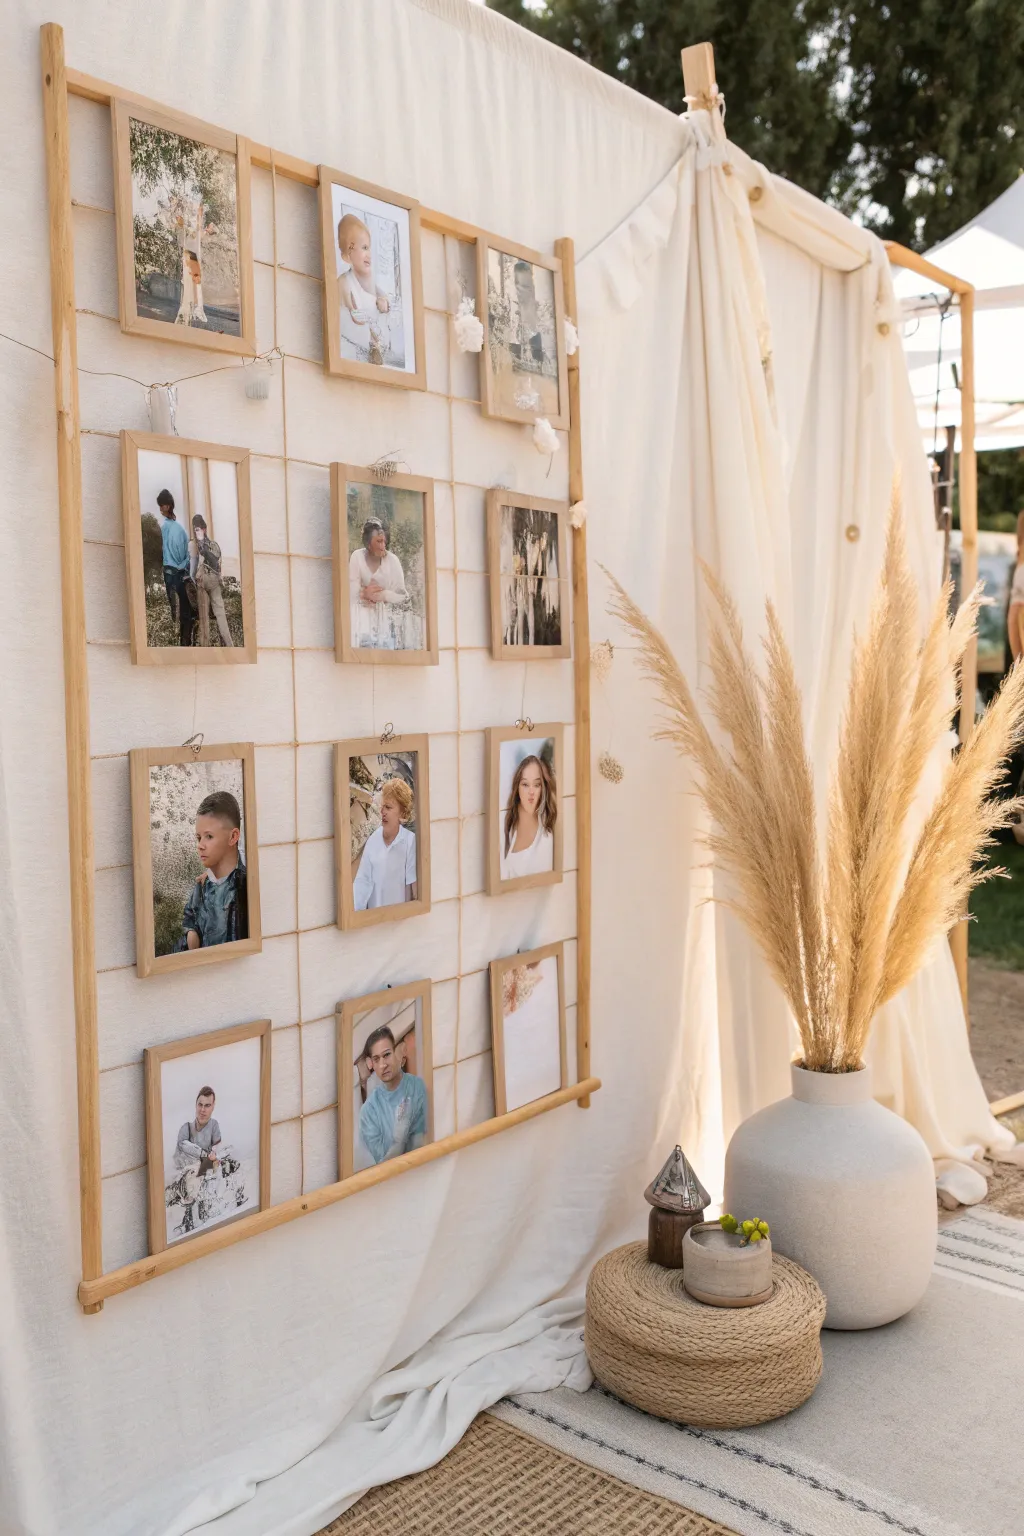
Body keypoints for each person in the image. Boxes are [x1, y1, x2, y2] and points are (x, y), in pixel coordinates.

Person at [178, 790, 248, 950]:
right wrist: (191, 932)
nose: (200, 845)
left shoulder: (244, 885)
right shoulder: (201, 887)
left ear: (233, 837)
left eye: (209, 836)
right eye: (198, 837)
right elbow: (189, 917)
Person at [357, 1025, 427, 1164]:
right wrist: (398, 1140)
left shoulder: (418, 1087)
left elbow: (425, 1144)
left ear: (397, 1053)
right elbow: (383, 1166)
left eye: (387, 1055)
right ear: (370, 1064)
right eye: (376, 1059)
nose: (383, 1065)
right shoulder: (368, 1112)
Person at [353, 777, 417, 910]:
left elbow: (414, 889)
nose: (382, 812)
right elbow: (362, 883)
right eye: (382, 806)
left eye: (388, 807)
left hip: (401, 916)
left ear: (402, 813)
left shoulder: (410, 841)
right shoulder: (373, 840)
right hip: (376, 917)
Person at [337, 211, 390, 365]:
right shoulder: (344, 282)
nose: (369, 255)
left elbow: (381, 294)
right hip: (356, 344)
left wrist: (383, 300)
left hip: (372, 337)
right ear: (348, 254)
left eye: (369, 248)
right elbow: (354, 315)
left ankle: (376, 347)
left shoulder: (368, 280)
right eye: (364, 247)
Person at [349, 518, 410, 649]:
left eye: (384, 541)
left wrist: (384, 595)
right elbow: (350, 592)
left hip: (387, 625)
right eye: (378, 541)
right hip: (362, 625)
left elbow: (403, 597)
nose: (383, 546)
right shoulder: (357, 557)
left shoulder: (393, 561)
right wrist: (364, 593)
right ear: (368, 543)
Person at [500, 752, 556, 881]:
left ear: (542, 788)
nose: (531, 792)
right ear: (517, 787)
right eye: (525, 784)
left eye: (536, 785)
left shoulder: (546, 838)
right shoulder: (505, 823)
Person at [189, 513, 234, 648]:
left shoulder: (208, 545)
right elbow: (193, 566)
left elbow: (214, 562)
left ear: (203, 529)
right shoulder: (198, 545)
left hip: (208, 581)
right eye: (196, 529)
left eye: (198, 528)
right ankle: (224, 646)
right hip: (205, 582)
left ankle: (225, 646)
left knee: (213, 617)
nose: (197, 531)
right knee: (211, 618)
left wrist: (204, 551)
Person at [157, 490, 194, 647]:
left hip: (169, 572)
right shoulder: (179, 529)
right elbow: (185, 555)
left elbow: (163, 551)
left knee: (175, 609)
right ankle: (185, 642)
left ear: (167, 506)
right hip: (178, 572)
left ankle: (180, 641)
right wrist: (183, 566)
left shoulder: (164, 527)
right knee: (185, 610)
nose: (160, 508)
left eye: (161, 505)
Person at [174, 1086, 222, 1174]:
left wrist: (214, 1157)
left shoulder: (214, 1125)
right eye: (200, 1105)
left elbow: (217, 1152)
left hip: (206, 1175)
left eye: (207, 1105)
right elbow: (179, 1158)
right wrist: (204, 1155)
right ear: (196, 1105)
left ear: (213, 1107)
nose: (202, 1110)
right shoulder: (186, 1128)